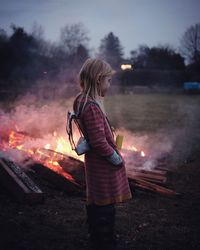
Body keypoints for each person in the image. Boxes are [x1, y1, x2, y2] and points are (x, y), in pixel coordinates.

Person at [73, 58, 132, 249]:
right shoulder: (91, 107)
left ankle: (96, 236)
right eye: (108, 81)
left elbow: (93, 134)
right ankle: (104, 241)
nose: (110, 85)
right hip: (102, 165)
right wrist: (115, 158)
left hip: (94, 164)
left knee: (97, 201)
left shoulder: (81, 100)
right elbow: (98, 141)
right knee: (105, 204)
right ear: (98, 80)